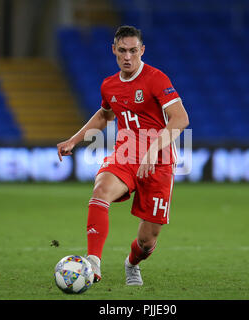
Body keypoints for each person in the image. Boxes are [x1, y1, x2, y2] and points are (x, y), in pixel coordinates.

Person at [57, 25, 189, 286]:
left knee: (147, 240)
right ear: (114, 51)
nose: (127, 57)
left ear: (142, 50)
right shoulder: (109, 85)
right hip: (125, 155)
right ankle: (92, 262)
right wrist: (74, 139)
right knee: (101, 189)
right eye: (122, 51)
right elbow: (105, 115)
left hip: (159, 162)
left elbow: (181, 118)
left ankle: (132, 263)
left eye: (132, 51)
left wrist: (154, 148)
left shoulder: (156, 78)